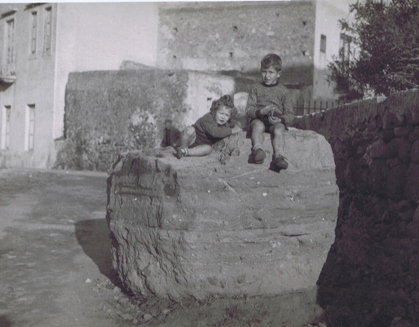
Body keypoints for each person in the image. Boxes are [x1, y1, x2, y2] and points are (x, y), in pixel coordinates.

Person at [245, 53, 294, 172]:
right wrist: (261, 111)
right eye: (264, 71)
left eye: (270, 72)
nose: (266, 76)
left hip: (275, 121)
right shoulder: (256, 88)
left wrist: (281, 119)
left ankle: (279, 156)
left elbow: (290, 115)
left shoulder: (284, 91)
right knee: (257, 126)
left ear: (278, 74)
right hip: (259, 118)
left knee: (279, 129)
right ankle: (258, 150)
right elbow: (248, 110)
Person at [176, 94, 242, 159]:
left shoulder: (226, 122)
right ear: (215, 111)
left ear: (230, 116)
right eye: (221, 113)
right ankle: (183, 147)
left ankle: (185, 152)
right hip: (193, 139)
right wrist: (232, 130)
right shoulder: (208, 118)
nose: (223, 117)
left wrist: (238, 125)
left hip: (203, 145)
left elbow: (236, 122)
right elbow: (215, 132)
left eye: (226, 115)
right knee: (189, 130)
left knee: (208, 149)